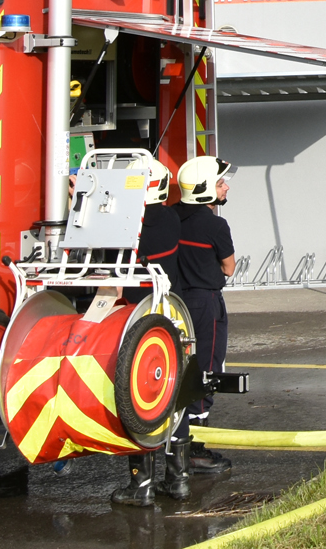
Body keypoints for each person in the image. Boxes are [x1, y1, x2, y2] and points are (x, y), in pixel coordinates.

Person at [113, 158, 183, 507]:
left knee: (137, 399)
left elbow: (112, 273)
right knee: (174, 395)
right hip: (170, 315)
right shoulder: (171, 218)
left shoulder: (128, 223)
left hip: (136, 318)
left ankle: (141, 486)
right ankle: (179, 479)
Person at [171, 155, 238, 484]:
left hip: (176, 303)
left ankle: (177, 443)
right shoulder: (215, 226)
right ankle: (195, 451)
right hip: (206, 305)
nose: (226, 187)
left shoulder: (171, 217)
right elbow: (229, 267)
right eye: (220, 182)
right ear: (205, 189)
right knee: (206, 371)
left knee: (181, 370)